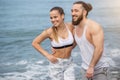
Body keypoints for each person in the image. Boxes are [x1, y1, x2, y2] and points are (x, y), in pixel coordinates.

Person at [32, 6, 76, 80]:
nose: (53, 20)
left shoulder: (70, 26)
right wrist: (48, 55)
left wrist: (70, 48)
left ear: (62, 16)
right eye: (51, 18)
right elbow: (35, 43)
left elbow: (78, 38)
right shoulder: (49, 31)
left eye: (55, 17)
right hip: (56, 64)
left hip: (69, 63)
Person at [71, 1, 109, 80]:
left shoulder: (94, 27)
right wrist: (57, 51)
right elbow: (71, 46)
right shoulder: (75, 29)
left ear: (84, 12)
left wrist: (91, 67)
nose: (73, 13)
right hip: (85, 69)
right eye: (72, 11)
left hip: (99, 69)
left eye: (76, 11)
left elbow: (99, 48)